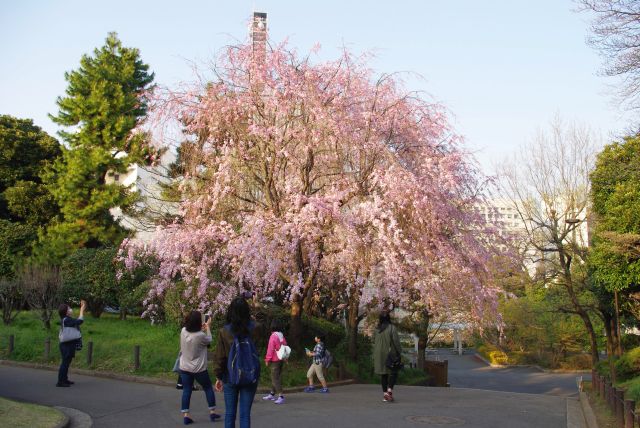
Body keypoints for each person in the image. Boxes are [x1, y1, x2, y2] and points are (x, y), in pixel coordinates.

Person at [213, 297, 260, 428]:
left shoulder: (225, 331)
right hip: (250, 374)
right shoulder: (256, 328)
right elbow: (258, 350)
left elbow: (220, 357)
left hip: (230, 375)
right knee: (245, 415)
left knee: (230, 414)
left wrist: (218, 376)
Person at [178, 311, 220, 425]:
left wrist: (201, 329)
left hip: (184, 367)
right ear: (198, 322)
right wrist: (208, 328)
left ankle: (186, 415)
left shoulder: (183, 331)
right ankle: (212, 412)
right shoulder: (201, 335)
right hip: (199, 369)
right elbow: (209, 339)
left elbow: (193, 335)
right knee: (207, 388)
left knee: (187, 390)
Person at [373, 311, 402, 402]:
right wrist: (399, 351)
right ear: (388, 318)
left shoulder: (376, 329)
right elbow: (396, 341)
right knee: (393, 371)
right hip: (389, 353)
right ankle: (389, 391)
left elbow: (374, 340)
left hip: (378, 353)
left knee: (383, 374)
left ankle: (385, 394)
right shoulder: (392, 328)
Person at [56, 300, 86, 387]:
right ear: (65, 311)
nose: (71, 309)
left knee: (66, 363)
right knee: (65, 363)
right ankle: (60, 382)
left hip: (68, 344)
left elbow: (76, 322)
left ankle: (64, 379)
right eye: (69, 308)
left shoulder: (67, 319)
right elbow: (79, 321)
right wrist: (81, 310)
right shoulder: (66, 320)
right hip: (66, 345)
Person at [262, 319, 287, 404]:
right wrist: (286, 357)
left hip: (275, 360)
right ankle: (272, 394)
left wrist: (267, 359)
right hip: (281, 360)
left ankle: (281, 396)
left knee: (275, 378)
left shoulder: (273, 336)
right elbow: (285, 346)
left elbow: (270, 349)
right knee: (276, 376)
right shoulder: (281, 335)